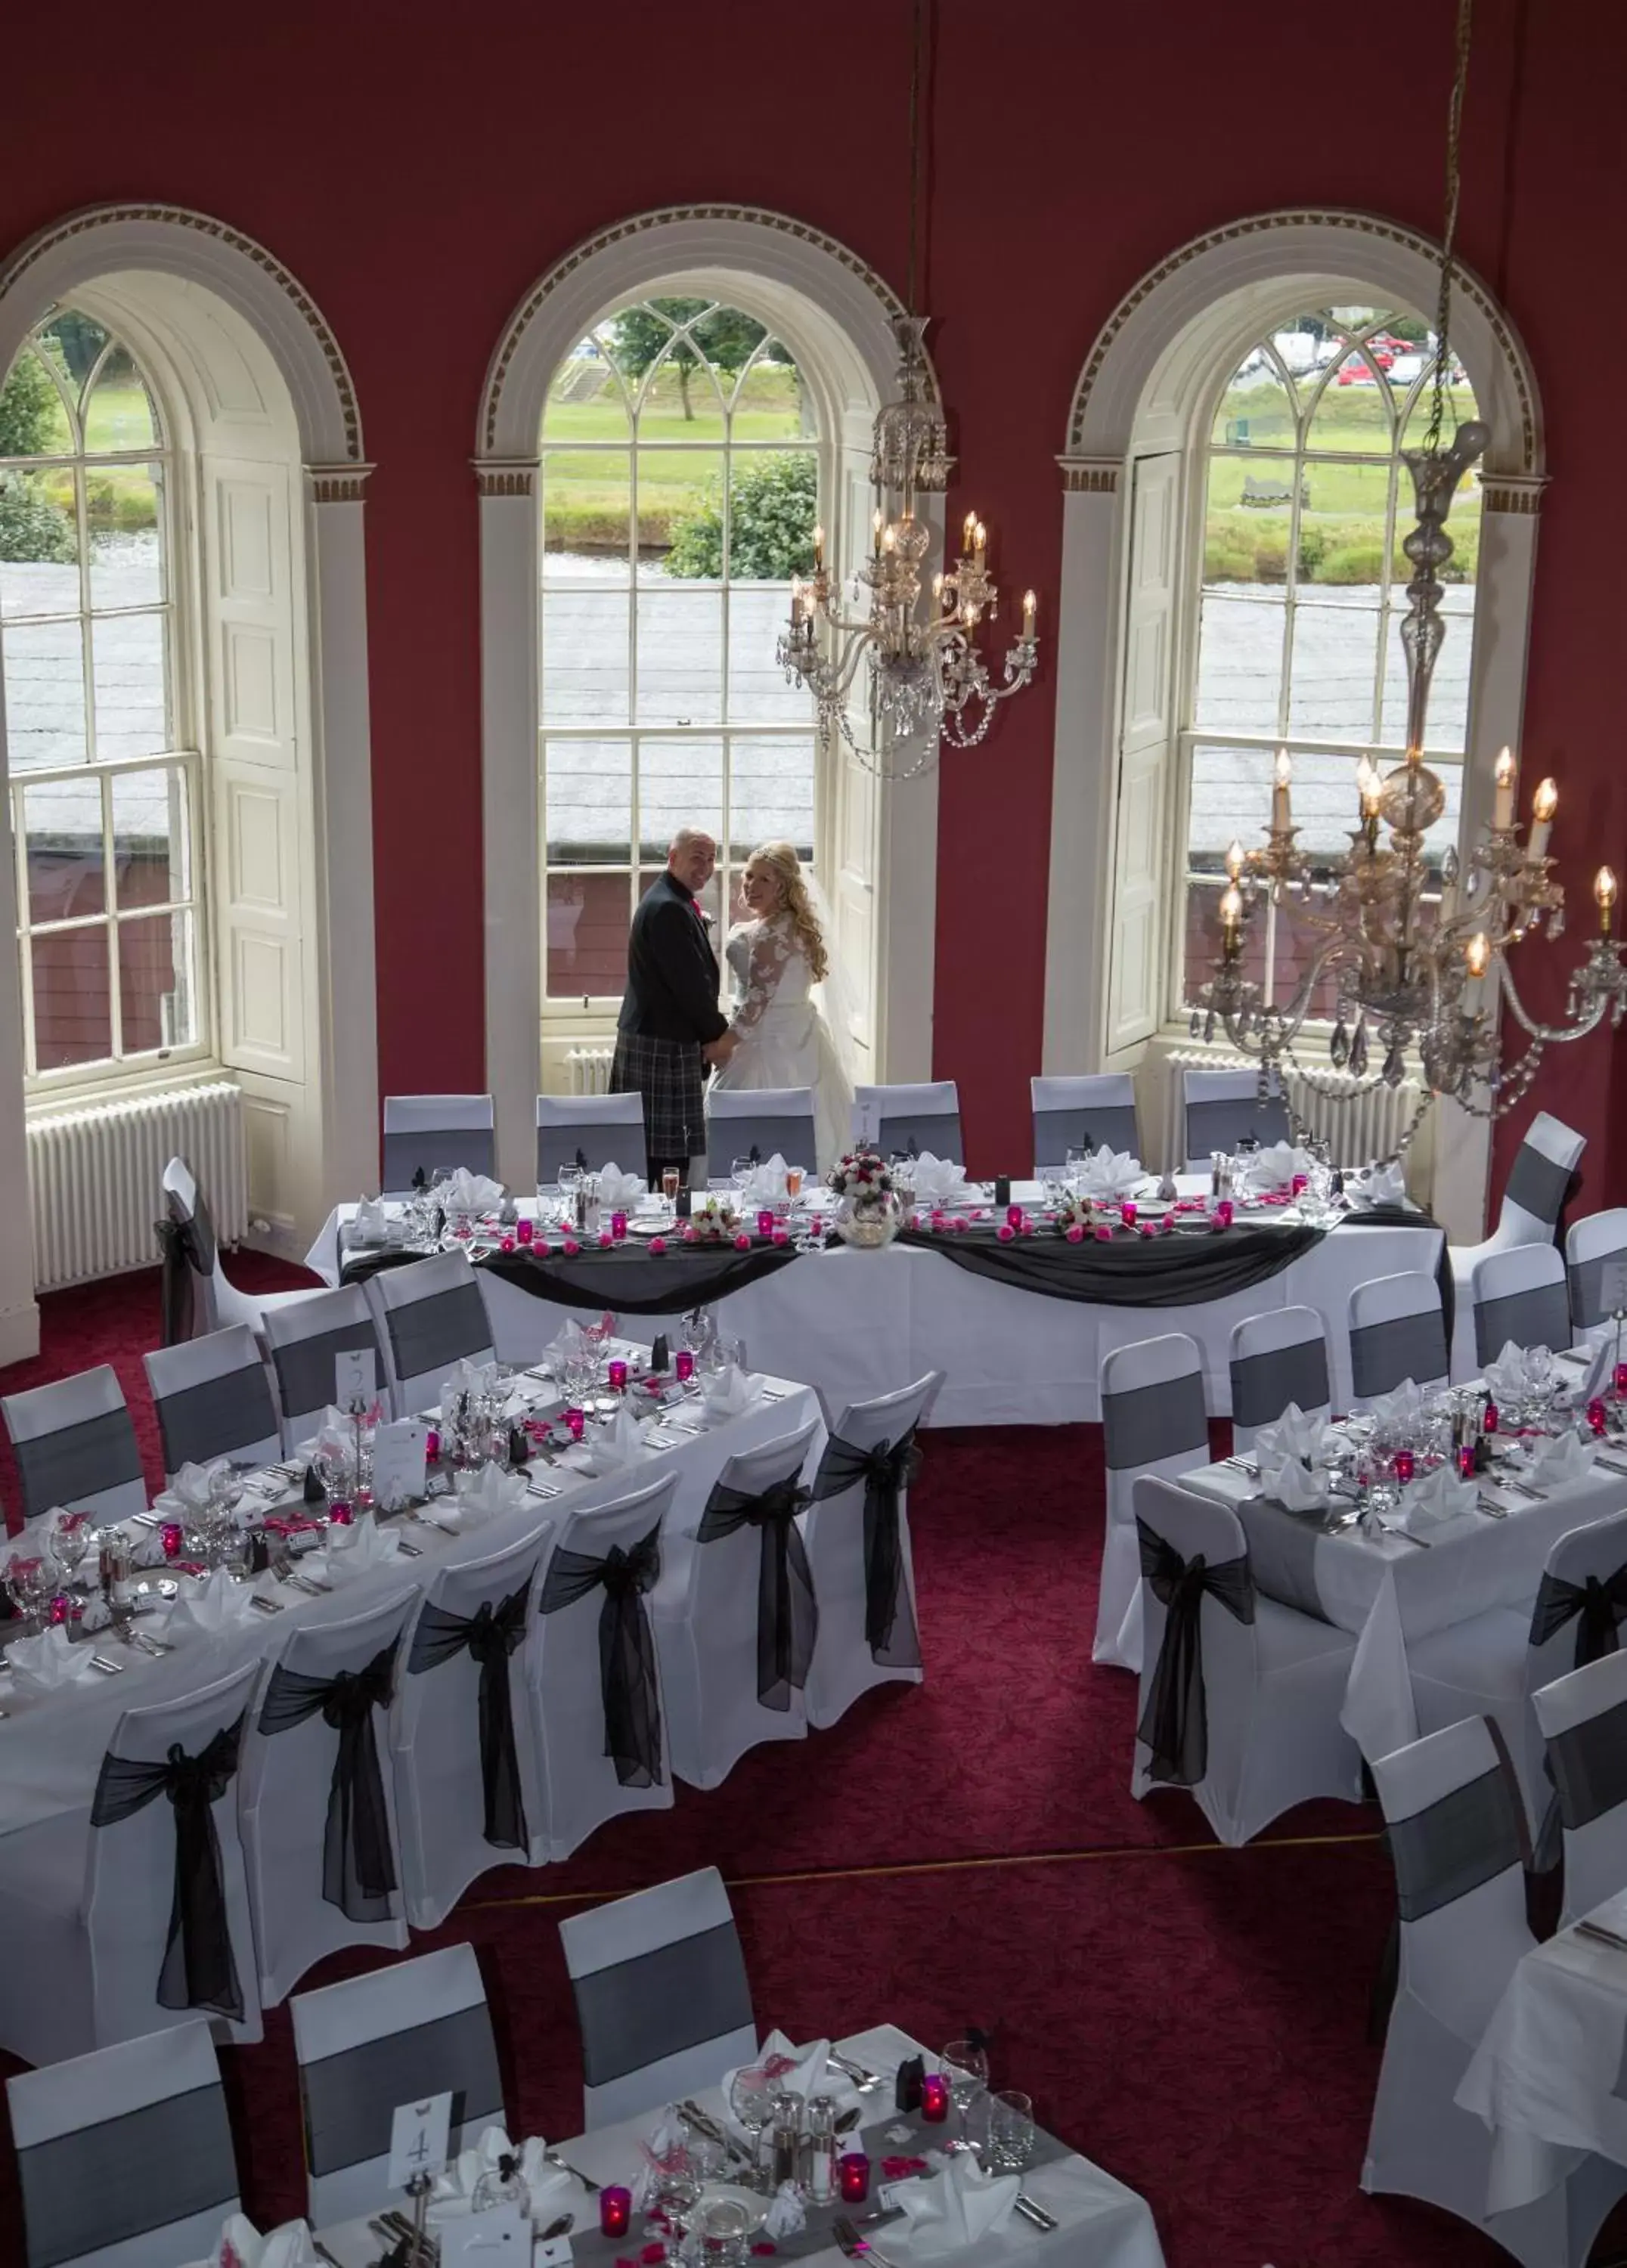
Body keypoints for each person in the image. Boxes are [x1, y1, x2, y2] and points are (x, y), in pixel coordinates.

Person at [709, 840, 854, 1172]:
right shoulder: (791, 926)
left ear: (783, 886)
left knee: (752, 1133)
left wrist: (723, 1045)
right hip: (802, 1035)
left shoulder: (773, 933)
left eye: (764, 879)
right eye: (748, 876)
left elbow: (757, 1000)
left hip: (766, 1043)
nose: (751, 885)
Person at [611, 829, 736, 1187]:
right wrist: (721, 1036)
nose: (706, 867)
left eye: (711, 858)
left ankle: (660, 1227)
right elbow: (690, 988)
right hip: (661, 1044)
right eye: (697, 856)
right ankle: (661, 1231)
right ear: (673, 857)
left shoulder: (672, 899)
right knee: (664, 1158)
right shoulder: (667, 908)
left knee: (655, 1152)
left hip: (657, 1039)